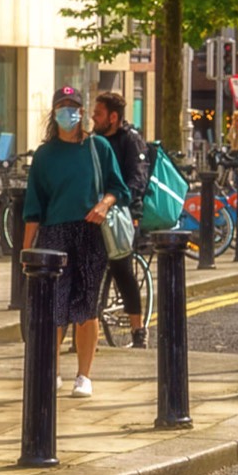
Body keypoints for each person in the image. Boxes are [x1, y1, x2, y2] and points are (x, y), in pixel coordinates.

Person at [22, 86, 130, 398]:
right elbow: (33, 209)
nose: (68, 112)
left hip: (89, 233)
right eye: (62, 106)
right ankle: (51, 370)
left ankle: (84, 376)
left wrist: (104, 204)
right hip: (54, 234)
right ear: (54, 112)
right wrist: (27, 252)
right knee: (54, 307)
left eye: (74, 106)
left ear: (82, 112)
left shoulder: (98, 148)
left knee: (87, 308)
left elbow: (117, 187)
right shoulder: (44, 156)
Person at [90, 91, 150, 349]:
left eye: (99, 113)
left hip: (123, 213)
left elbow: (137, 180)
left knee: (121, 269)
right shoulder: (93, 141)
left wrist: (114, 200)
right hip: (95, 211)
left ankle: (138, 330)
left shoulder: (131, 141)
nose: (93, 117)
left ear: (113, 117)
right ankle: (84, 324)